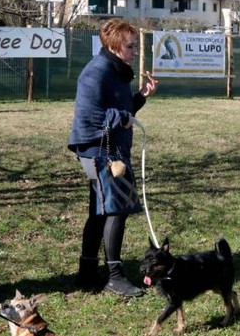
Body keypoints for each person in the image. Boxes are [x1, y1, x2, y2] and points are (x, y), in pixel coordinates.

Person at [68, 18, 158, 297]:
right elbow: (91, 116)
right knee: (115, 209)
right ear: (115, 45)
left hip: (110, 148)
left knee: (101, 210)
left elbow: (121, 110)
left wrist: (140, 97)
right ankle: (114, 276)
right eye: (130, 47)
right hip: (98, 150)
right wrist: (121, 117)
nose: (134, 52)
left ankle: (86, 273)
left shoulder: (117, 71)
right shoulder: (97, 72)